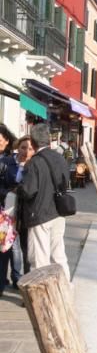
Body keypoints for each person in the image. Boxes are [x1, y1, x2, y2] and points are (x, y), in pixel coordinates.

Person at [17, 124, 71, 281]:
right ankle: (65, 289)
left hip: (39, 214)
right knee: (58, 256)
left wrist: (17, 188)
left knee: (39, 260)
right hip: (59, 213)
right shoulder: (60, 158)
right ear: (48, 140)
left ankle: (42, 300)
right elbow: (66, 183)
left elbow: (28, 191)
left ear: (33, 143)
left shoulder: (35, 162)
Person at [11, 136, 35, 286]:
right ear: (17, 147)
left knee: (27, 252)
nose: (26, 151)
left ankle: (25, 285)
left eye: (30, 148)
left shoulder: (35, 166)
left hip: (26, 215)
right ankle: (11, 279)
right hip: (8, 214)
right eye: (23, 147)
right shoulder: (8, 162)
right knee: (9, 249)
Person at [0, 125, 17, 296]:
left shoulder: (11, 161)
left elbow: (13, 186)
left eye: (1, 139)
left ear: (7, 140)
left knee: (3, 249)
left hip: (3, 212)